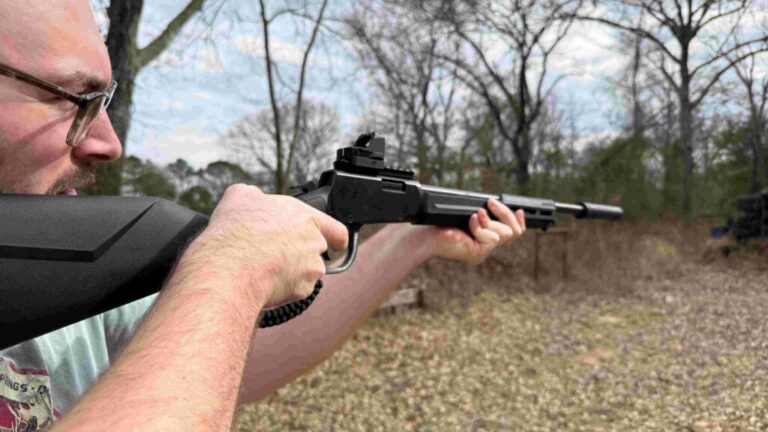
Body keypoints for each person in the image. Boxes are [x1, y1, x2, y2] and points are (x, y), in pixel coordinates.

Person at [0, 1, 526, 431]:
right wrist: (230, 267)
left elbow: (216, 364)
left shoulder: (58, 276)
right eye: (71, 98)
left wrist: (414, 240)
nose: (109, 142)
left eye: (103, 102)